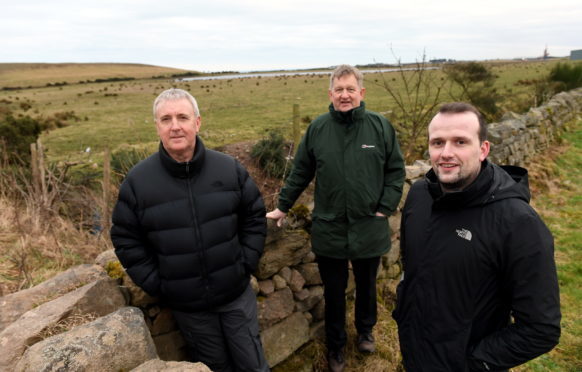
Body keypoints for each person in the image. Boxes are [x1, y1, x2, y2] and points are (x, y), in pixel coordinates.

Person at [110, 88, 270, 372]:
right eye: (166, 119)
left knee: (253, 366)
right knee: (213, 368)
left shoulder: (229, 169)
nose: (175, 126)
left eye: (182, 117)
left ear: (197, 122)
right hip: (189, 308)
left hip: (235, 296)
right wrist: (160, 284)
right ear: (157, 126)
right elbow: (126, 239)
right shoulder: (138, 183)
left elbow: (254, 216)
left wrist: (244, 263)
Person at [393, 102, 561, 371]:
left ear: (483, 149)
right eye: (437, 143)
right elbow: (414, 267)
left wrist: (473, 363)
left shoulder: (518, 223)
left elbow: (541, 328)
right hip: (414, 357)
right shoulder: (419, 195)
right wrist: (403, 310)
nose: (446, 153)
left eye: (460, 141)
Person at [267, 65, 405, 372]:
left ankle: (366, 331)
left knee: (368, 284)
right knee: (333, 291)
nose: (345, 95)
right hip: (330, 226)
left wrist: (386, 205)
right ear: (331, 94)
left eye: (350, 89)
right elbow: (300, 172)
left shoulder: (380, 127)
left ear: (361, 93)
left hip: (369, 224)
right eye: (339, 90)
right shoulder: (317, 129)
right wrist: (283, 207)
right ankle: (336, 346)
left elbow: (396, 170)